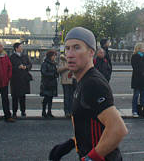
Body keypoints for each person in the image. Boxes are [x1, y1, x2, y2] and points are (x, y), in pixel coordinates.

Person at [49, 27, 128, 161]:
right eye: (67, 48)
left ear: (91, 52)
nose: (70, 54)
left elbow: (118, 129)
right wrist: (70, 144)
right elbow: (89, 126)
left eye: (76, 47)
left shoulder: (93, 84)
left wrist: (91, 158)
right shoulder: (83, 81)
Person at [9, 42, 32, 118]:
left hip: (23, 79)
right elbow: (9, 68)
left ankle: (23, 111)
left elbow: (30, 65)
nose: (22, 48)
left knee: (23, 96)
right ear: (16, 48)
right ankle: (14, 112)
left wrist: (26, 67)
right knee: (14, 97)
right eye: (20, 47)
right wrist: (18, 67)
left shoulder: (25, 56)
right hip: (15, 79)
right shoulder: (12, 57)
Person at [131, 42, 144, 117]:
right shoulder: (134, 56)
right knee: (136, 96)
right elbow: (135, 67)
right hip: (137, 79)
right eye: (143, 47)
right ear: (139, 48)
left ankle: (142, 111)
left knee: (143, 96)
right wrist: (142, 72)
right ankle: (134, 111)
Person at [40, 50, 59, 118]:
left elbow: (55, 72)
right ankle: (44, 111)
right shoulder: (45, 63)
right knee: (46, 98)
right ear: (50, 56)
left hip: (52, 82)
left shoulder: (53, 63)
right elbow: (44, 72)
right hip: (47, 83)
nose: (55, 57)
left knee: (50, 98)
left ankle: (49, 111)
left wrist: (56, 74)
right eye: (54, 56)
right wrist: (53, 74)